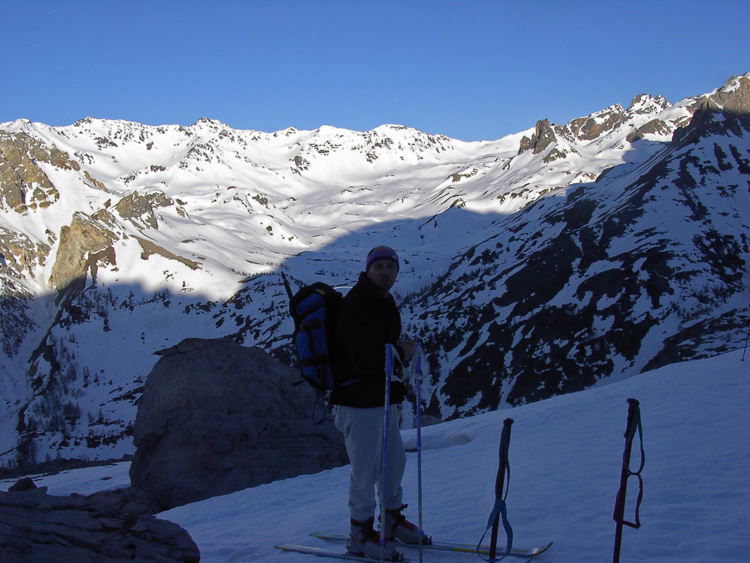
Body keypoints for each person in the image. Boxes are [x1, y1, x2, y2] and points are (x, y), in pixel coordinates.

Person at [331, 245, 429, 560]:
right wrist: (401, 352)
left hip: (378, 398)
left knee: (393, 462)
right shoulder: (358, 304)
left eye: (390, 266)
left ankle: (390, 521)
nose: (385, 272)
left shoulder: (381, 302)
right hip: (358, 402)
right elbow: (365, 358)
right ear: (368, 269)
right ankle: (359, 533)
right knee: (366, 468)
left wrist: (398, 355)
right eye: (379, 267)